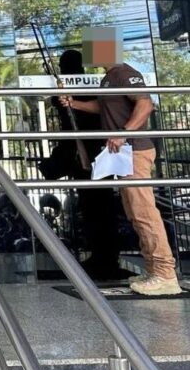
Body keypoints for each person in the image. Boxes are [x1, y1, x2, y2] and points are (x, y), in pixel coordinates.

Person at [61, 63, 181, 295]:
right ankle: (153, 269)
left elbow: (145, 104)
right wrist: (74, 103)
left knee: (144, 213)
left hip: (134, 151)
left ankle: (165, 273)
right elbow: (103, 106)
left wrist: (123, 132)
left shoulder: (125, 73)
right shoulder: (109, 77)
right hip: (124, 154)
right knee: (135, 213)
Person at [39, 50, 121, 280]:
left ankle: (104, 257)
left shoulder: (76, 89)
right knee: (98, 205)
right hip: (97, 152)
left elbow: (70, 117)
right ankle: (104, 255)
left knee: (95, 206)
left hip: (90, 153)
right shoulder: (90, 85)